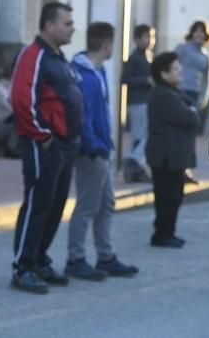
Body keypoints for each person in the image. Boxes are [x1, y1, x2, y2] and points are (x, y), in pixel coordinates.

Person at [9, 2, 82, 294]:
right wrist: (43, 136)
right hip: (44, 144)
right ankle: (22, 267)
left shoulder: (58, 58)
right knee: (38, 204)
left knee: (55, 205)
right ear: (49, 26)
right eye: (67, 23)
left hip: (65, 146)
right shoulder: (33, 55)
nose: (72, 27)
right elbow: (20, 100)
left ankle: (39, 259)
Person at [65, 22, 139, 281]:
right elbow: (82, 117)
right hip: (91, 151)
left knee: (106, 203)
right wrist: (94, 146)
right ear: (107, 45)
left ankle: (105, 256)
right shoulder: (82, 75)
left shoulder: (98, 72)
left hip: (102, 148)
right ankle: (75, 259)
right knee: (87, 205)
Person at [146, 52, 200, 248]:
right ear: (164, 73)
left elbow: (194, 112)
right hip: (165, 156)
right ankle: (162, 234)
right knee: (167, 198)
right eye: (175, 69)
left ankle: (168, 232)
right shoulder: (163, 95)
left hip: (174, 156)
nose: (180, 71)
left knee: (174, 196)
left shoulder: (174, 92)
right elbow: (190, 118)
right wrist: (191, 114)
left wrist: (192, 113)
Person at [175, 19, 209, 183]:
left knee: (190, 134)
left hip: (194, 96)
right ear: (191, 33)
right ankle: (175, 167)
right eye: (196, 30)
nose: (199, 34)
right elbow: (171, 66)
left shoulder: (206, 56)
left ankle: (186, 169)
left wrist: (202, 100)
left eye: (202, 31)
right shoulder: (181, 49)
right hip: (178, 93)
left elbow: (207, 80)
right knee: (176, 132)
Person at [121, 24, 155, 182]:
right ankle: (133, 165)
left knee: (145, 137)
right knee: (139, 137)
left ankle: (138, 167)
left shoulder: (149, 56)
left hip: (148, 102)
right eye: (146, 37)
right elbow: (125, 79)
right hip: (137, 102)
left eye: (151, 37)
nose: (149, 40)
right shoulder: (134, 57)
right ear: (136, 39)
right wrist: (146, 80)